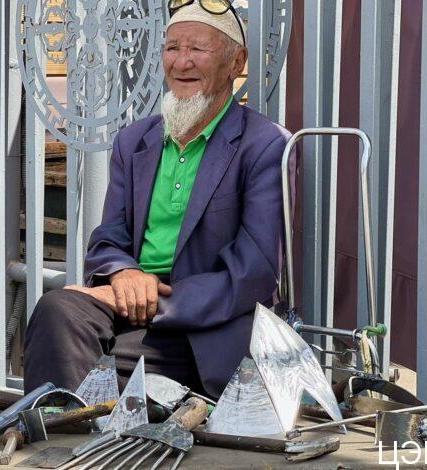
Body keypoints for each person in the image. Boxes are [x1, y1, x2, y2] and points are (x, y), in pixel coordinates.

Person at [24, 0, 291, 398]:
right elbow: (108, 238)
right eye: (172, 48)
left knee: (88, 369)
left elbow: (253, 274)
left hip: (204, 327)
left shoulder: (264, 145)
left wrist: (150, 300)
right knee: (56, 310)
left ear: (236, 63)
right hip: (131, 303)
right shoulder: (135, 141)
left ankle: (69, 426)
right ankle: (67, 424)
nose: (182, 62)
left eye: (197, 49)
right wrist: (123, 274)